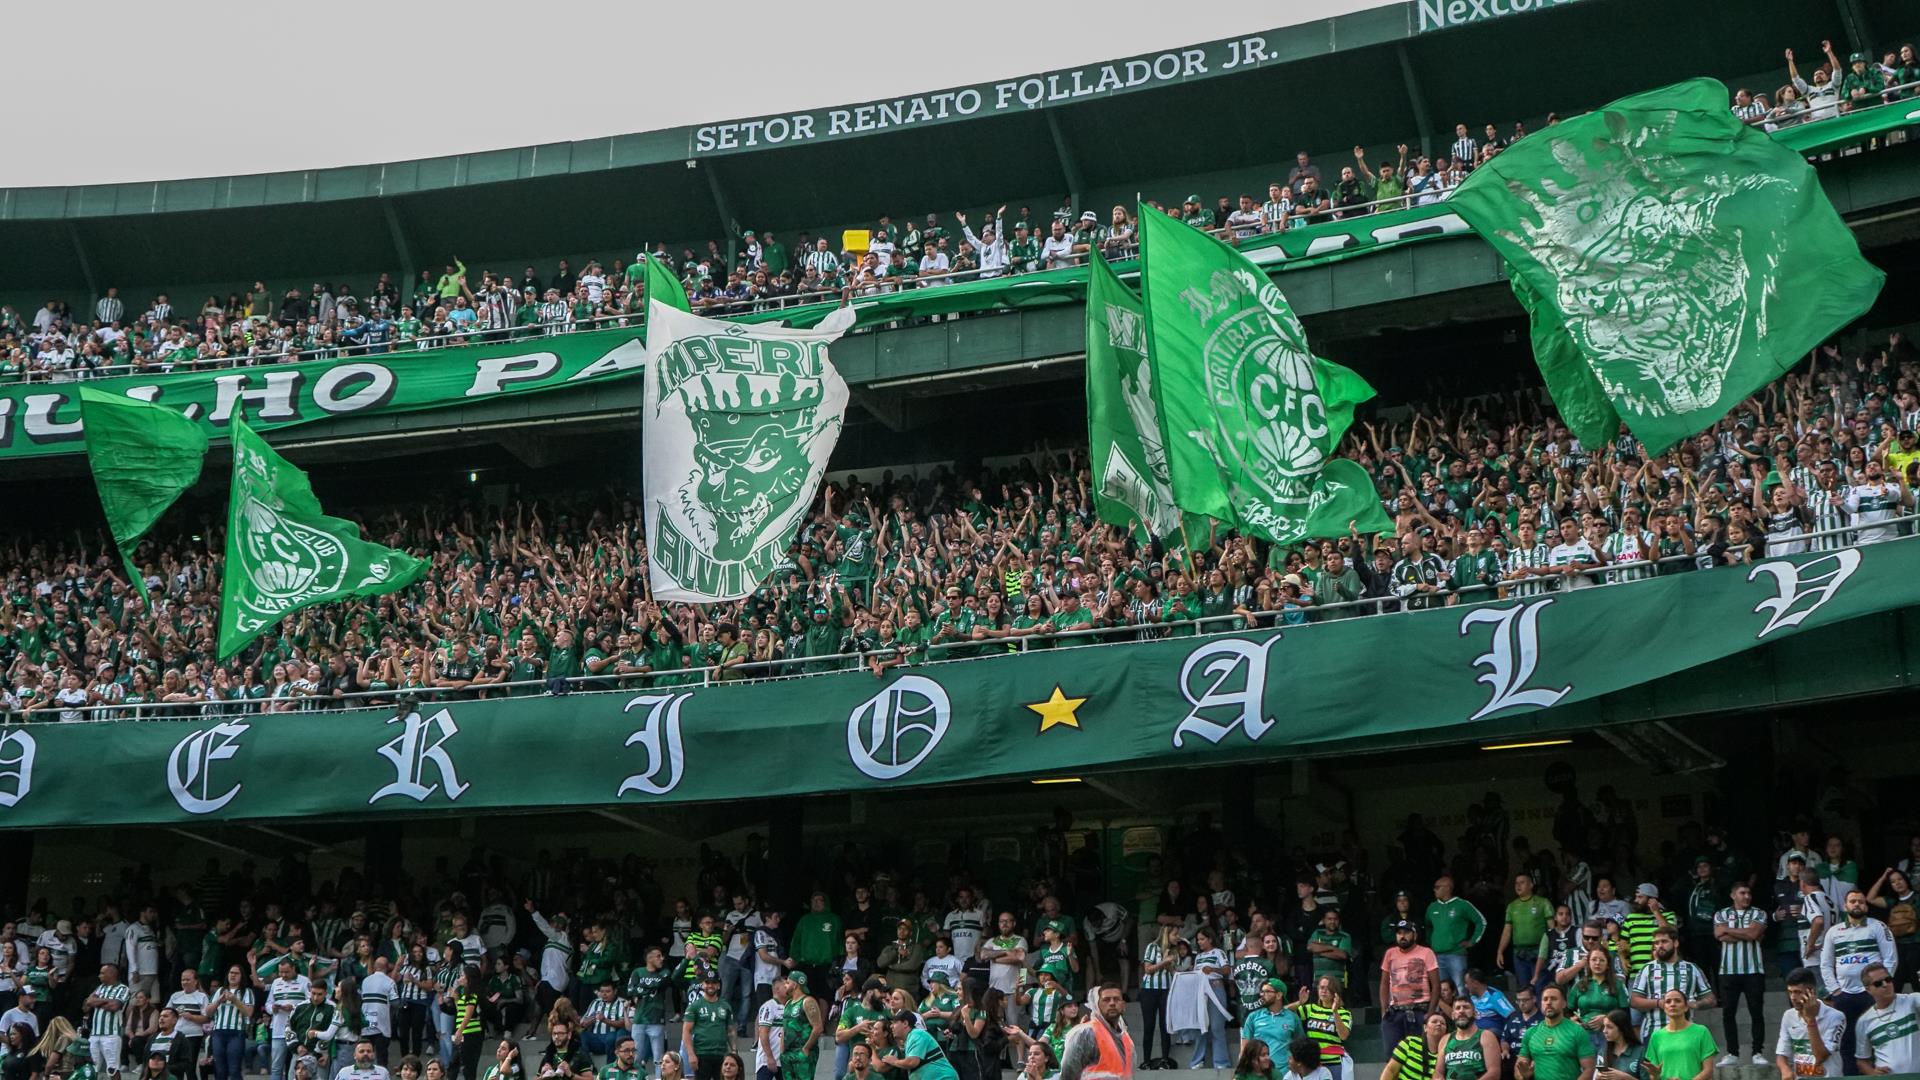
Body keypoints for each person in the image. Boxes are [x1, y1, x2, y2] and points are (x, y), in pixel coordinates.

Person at [1821, 889, 1898, 1074]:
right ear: (1845, 906)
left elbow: (1890, 959)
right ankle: (1850, 1075)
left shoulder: (1878, 927)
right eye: (1853, 901)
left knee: (1876, 1035)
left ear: (1866, 905)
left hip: (1871, 994)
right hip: (1844, 996)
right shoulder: (1833, 932)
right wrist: (1835, 991)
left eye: (1861, 901)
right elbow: (1825, 964)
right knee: (1847, 1041)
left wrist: (1880, 986)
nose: (1857, 904)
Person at [1712, 884, 1767, 1066]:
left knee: (1756, 1012)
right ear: (1733, 895)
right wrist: (1747, 934)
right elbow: (1719, 936)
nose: (1747, 896)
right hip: (1727, 971)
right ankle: (1732, 1053)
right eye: (1742, 893)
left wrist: (1728, 930)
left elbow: (1753, 933)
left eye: (1749, 893)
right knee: (1728, 1013)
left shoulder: (1759, 913)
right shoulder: (1721, 914)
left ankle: (1757, 1052)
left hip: (1754, 970)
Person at [1626, 930, 1713, 1041]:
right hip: (1655, 1033)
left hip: (1686, 1034)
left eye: (1664, 941)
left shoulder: (1692, 969)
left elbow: (1711, 999)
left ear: (1675, 943)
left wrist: (1696, 1004)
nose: (1659, 946)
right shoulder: (1647, 969)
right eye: (1656, 943)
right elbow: (1634, 1001)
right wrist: (1659, 1003)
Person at [1380, 921, 1440, 1055]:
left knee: (1420, 1055)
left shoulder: (1426, 952)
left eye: (1406, 932)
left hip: (1419, 1011)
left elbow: (1436, 985)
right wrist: (1384, 1011)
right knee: (1392, 1056)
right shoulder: (1390, 953)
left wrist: (1430, 1013)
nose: (1402, 936)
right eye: (1399, 933)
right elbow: (1384, 984)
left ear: (1415, 935)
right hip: (1394, 1012)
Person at [1775, 967, 1844, 1078]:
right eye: (1790, 992)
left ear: (1811, 991)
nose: (1793, 997)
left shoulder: (1836, 1017)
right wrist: (1785, 1069)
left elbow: (1820, 1056)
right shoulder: (1788, 1016)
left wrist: (1811, 1020)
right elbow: (1782, 1053)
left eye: (1797, 992)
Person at [1855, 961, 1920, 1075]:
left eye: (1888, 979)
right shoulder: (1864, 1021)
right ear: (1868, 989)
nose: (1885, 984)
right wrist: (1872, 1072)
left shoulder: (1912, 1001)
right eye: (1878, 983)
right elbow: (1862, 1060)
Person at [1056, 983, 1131, 1080]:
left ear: (1123, 1005)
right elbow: (1068, 1074)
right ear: (1097, 1005)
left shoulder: (1125, 1038)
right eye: (1106, 1000)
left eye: (1116, 999)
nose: (1112, 1003)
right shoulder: (1085, 1033)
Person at [1515, 987, 1594, 1080]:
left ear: (1564, 1003)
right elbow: (1518, 1070)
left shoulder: (1577, 1031)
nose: (1548, 1002)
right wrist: (1524, 1076)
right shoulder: (1531, 1033)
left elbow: (1589, 1070)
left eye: (1554, 999)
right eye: (1545, 999)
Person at [1428, 878, 1486, 993]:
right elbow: (1428, 927)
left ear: (1448, 888)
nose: (1434, 890)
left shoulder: (1462, 905)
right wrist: (1431, 943)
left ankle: (1464, 1010)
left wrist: (1472, 941)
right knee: (1440, 990)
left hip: (1456, 955)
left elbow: (1481, 921)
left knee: (1461, 988)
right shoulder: (1432, 907)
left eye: (1437, 887)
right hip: (1437, 956)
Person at [1500, 876, 1556, 996]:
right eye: (1516, 883)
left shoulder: (1542, 902)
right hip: (1519, 953)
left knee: (1541, 987)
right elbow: (1507, 930)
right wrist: (1500, 950)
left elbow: (1552, 928)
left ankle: (1543, 1014)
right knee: (1524, 990)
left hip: (1539, 952)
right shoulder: (1512, 906)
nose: (1518, 886)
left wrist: (1554, 947)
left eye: (1522, 882)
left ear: (1531, 885)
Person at [1644, 990, 1716, 1080]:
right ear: (1664, 1008)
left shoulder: (1701, 1031)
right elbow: (1654, 1076)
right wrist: (1655, 1075)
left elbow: (1708, 1070)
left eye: (1677, 1001)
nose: (1672, 1004)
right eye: (1668, 1001)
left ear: (1686, 1007)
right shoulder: (1656, 1036)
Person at [878, 1010, 958, 1080]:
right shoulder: (910, 1038)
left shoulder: (917, 1034)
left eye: (894, 1023)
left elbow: (912, 1062)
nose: (891, 1026)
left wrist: (894, 1061)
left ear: (905, 1023)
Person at [1244, 979, 1306, 1066]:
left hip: (1285, 1073)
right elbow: (1244, 1048)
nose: (1262, 995)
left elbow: (1301, 1045)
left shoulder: (1292, 1018)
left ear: (1278, 995)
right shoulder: (1253, 1017)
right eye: (1262, 992)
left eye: (1267, 991)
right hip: (1260, 1073)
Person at [681, 974, 732, 1080]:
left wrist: (734, 1050)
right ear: (702, 985)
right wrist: (691, 1055)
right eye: (707, 983)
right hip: (701, 1054)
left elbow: (731, 1031)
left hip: (721, 1054)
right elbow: (686, 1031)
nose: (710, 985)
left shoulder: (725, 1006)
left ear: (718, 985)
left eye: (713, 983)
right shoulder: (695, 1006)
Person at [87, 963, 131, 1079]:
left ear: (111, 974)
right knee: (91, 1068)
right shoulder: (100, 987)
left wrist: (97, 1001)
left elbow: (114, 1006)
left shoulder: (123, 988)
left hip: (111, 1035)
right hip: (94, 1034)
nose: (99, 976)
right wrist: (106, 1001)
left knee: (112, 1069)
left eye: (102, 973)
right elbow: (88, 1002)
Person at [1441, 998, 1502, 1080]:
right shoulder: (1446, 1039)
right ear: (1452, 1015)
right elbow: (1438, 1073)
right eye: (1458, 1008)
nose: (1461, 1011)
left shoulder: (1486, 1036)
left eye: (1466, 1007)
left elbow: (1494, 1073)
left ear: (1475, 1014)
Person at [1384, 1013, 1447, 1080]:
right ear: (1425, 1027)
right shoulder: (1410, 1042)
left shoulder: (1448, 1051)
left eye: (1442, 1023)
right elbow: (1391, 1070)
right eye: (1434, 1022)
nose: (1439, 1024)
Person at [1593, 1012, 1644, 1080]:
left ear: (1622, 1029)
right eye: (1604, 1026)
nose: (1604, 1031)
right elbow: (1597, 1075)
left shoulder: (1640, 1052)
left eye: (1609, 1027)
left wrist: (1625, 1078)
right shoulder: (1602, 1052)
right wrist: (1598, 1078)